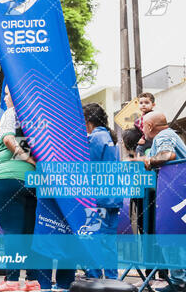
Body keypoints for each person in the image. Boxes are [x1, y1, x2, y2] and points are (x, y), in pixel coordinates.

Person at [0, 86, 42, 292]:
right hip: (33, 180)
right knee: (29, 231)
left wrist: (26, 158)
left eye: (8, 92)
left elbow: (8, 139)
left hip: (8, 178)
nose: (5, 97)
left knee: (12, 231)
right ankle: (32, 281)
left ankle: (11, 281)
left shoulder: (11, 113)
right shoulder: (38, 116)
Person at [131, 111, 186, 292]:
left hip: (176, 195)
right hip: (174, 193)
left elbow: (167, 155)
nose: (142, 130)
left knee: (173, 234)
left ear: (149, 126)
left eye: (143, 126)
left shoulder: (164, 135)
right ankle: (178, 280)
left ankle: (179, 282)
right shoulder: (166, 135)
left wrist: (147, 161)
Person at [83, 103, 121, 280]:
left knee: (93, 240)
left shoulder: (95, 138)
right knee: (108, 243)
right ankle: (112, 281)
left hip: (97, 198)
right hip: (112, 198)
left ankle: (94, 280)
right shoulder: (108, 137)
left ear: (86, 119)